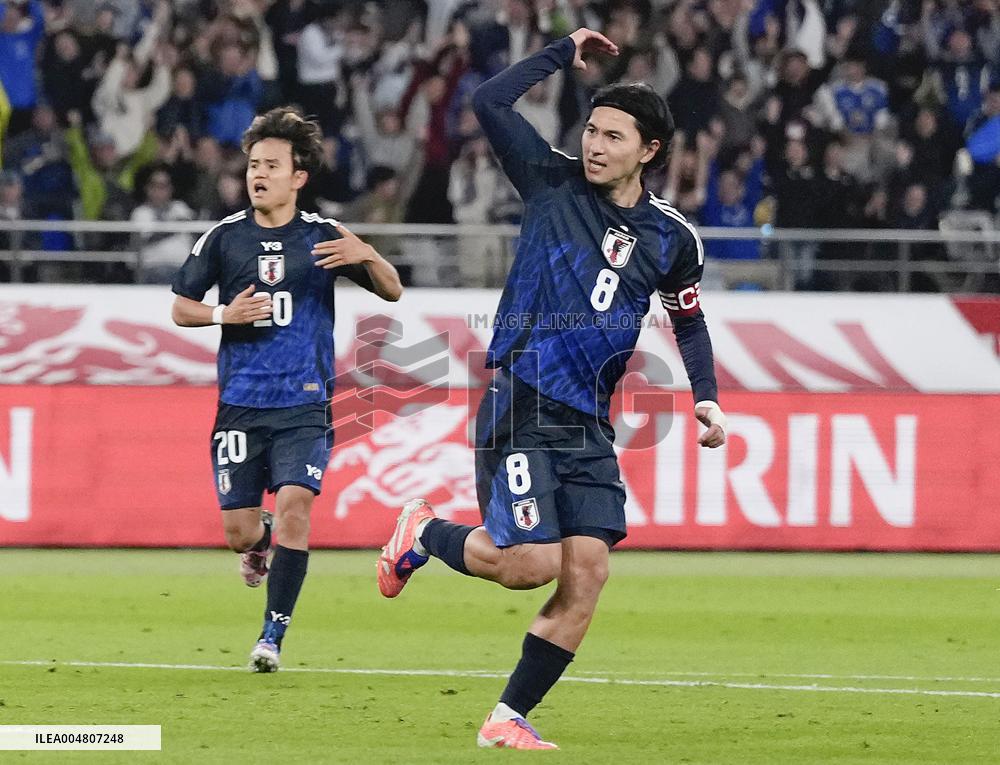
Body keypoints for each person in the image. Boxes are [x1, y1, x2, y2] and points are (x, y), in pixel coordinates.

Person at [377, 29, 726, 750]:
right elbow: (486, 99)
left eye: (613, 136)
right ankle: (423, 533)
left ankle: (508, 715)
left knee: (588, 570)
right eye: (592, 129)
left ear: (650, 150)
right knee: (529, 564)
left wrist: (707, 395)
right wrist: (560, 53)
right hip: (523, 399)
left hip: (589, 421)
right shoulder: (549, 178)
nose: (595, 144)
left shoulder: (672, 239)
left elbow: (688, 323)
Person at [170, 107, 402, 672]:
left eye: (272, 165)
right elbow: (180, 308)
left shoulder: (323, 237)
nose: (259, 174)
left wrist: (366, 254)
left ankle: (271, 637)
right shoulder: (224, 238)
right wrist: (226, 313)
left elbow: (392, 292)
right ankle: (260, 539)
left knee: (298, 505)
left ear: (299, 176)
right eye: (254, 164)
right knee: (238, 531)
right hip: (241, 405)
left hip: (304, 402)